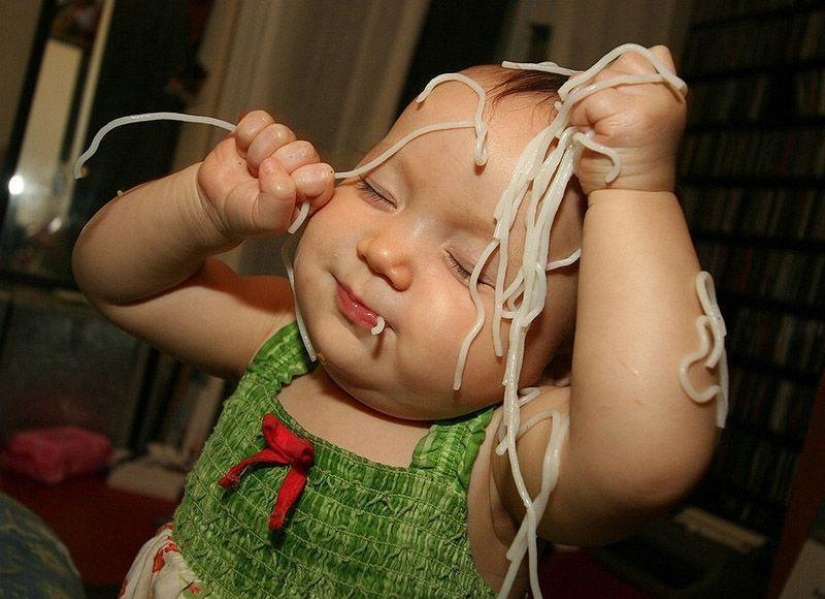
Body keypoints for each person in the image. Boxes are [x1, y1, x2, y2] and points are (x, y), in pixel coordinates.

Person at [72, 45, 723, 598]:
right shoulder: (282, 338)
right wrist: (202, 208)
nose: (385, 251)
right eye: (377, 189)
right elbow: (117, 284)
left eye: (470, 266)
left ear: (553, 360)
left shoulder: (501, 458)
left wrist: (635, 191)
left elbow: (643, 460)